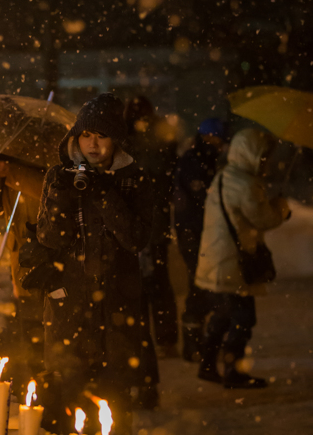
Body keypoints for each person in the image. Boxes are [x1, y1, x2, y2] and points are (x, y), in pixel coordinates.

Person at [35, 92, 154, 435]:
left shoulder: (133, 177)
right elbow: (49, 239)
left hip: (118, 307)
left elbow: (136, 238)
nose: (93, 144)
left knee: (117, 397)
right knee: (70, 391)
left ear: (116, 138)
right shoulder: (58, 175)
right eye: (86, 135)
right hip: (70, 306)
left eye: (102, 135)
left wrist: (105, 195)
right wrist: (62, 200)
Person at [195, 127, 290, 389]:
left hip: (215, 260)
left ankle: (207, 363)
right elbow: (264, 218)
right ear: (251, 155)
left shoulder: (224, 177)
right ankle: (233, 371)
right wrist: (281, 209)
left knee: (222, 315)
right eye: (263, 156)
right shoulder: (246, 184)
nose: (266, 161)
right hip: (232, 264)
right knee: (243, 319)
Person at [0, 151, 45, 391]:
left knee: (49, 343)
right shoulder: (3, 167)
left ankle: (51, 402)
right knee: (32, 334)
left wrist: (10, 172)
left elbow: (50, 193)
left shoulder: (41, 157)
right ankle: (39, 396)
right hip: (22, 263)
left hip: (49, 261)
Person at [123, 95, 179, 358]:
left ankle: (143, 339)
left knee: (143, 284)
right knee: (156, 283)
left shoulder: (129, 142)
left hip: (142, 224)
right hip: (151, 223)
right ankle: (161, 339)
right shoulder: (159, 139)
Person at [173, 118, 229, 361]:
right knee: (200, 286)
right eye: (219, 139)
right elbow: (197, 202)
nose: (222, 145)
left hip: (199, 233)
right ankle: (194, 344)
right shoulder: (195, 162)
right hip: (196, 234)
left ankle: (197, 343)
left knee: (203, 286)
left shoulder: (204, 160)